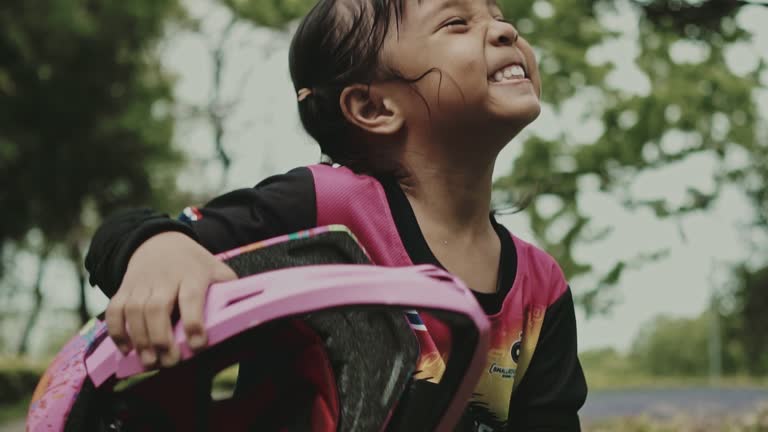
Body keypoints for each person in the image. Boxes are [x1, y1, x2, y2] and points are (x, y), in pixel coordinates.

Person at [85, 0, 588, 430]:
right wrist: (158, 251)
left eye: (497, 15)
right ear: (373, 107)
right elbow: (125, 235)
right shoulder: (325, 208)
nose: (505, 30)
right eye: (456, 23)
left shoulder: (541, 288)